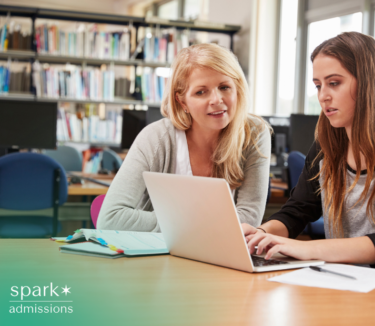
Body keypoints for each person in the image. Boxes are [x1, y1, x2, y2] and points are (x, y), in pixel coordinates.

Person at [243, 32, 375, 298]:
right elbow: (297, 212)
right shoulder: (327, 146)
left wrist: (304, 249)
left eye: (334, 83)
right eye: (318, 85)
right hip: (347, 285)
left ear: (368, 83)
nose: (323, 96)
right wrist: (259, 235)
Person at [97, 43, 271, 231]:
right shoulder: (156, 138)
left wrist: (179, 222)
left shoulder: (254, 133)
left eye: (224, 87)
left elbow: (249, 219)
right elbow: (110, 219)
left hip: (217, 256)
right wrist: (196, 223)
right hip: (157, 254)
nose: (217, 100)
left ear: (237, 89)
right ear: (182, 101)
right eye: (200, 92)